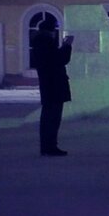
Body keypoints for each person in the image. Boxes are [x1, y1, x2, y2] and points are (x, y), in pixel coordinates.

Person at [32, 16, 73, 156]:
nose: (54, 32)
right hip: (54, 85)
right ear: (50, 31)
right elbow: (60, 60)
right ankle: (50, 146)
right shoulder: (46, 43)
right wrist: (67, 45)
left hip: (49, 85)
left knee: (48, 116)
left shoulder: (40, 43)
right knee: (52, 118)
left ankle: (47, 146)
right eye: (54, 29)